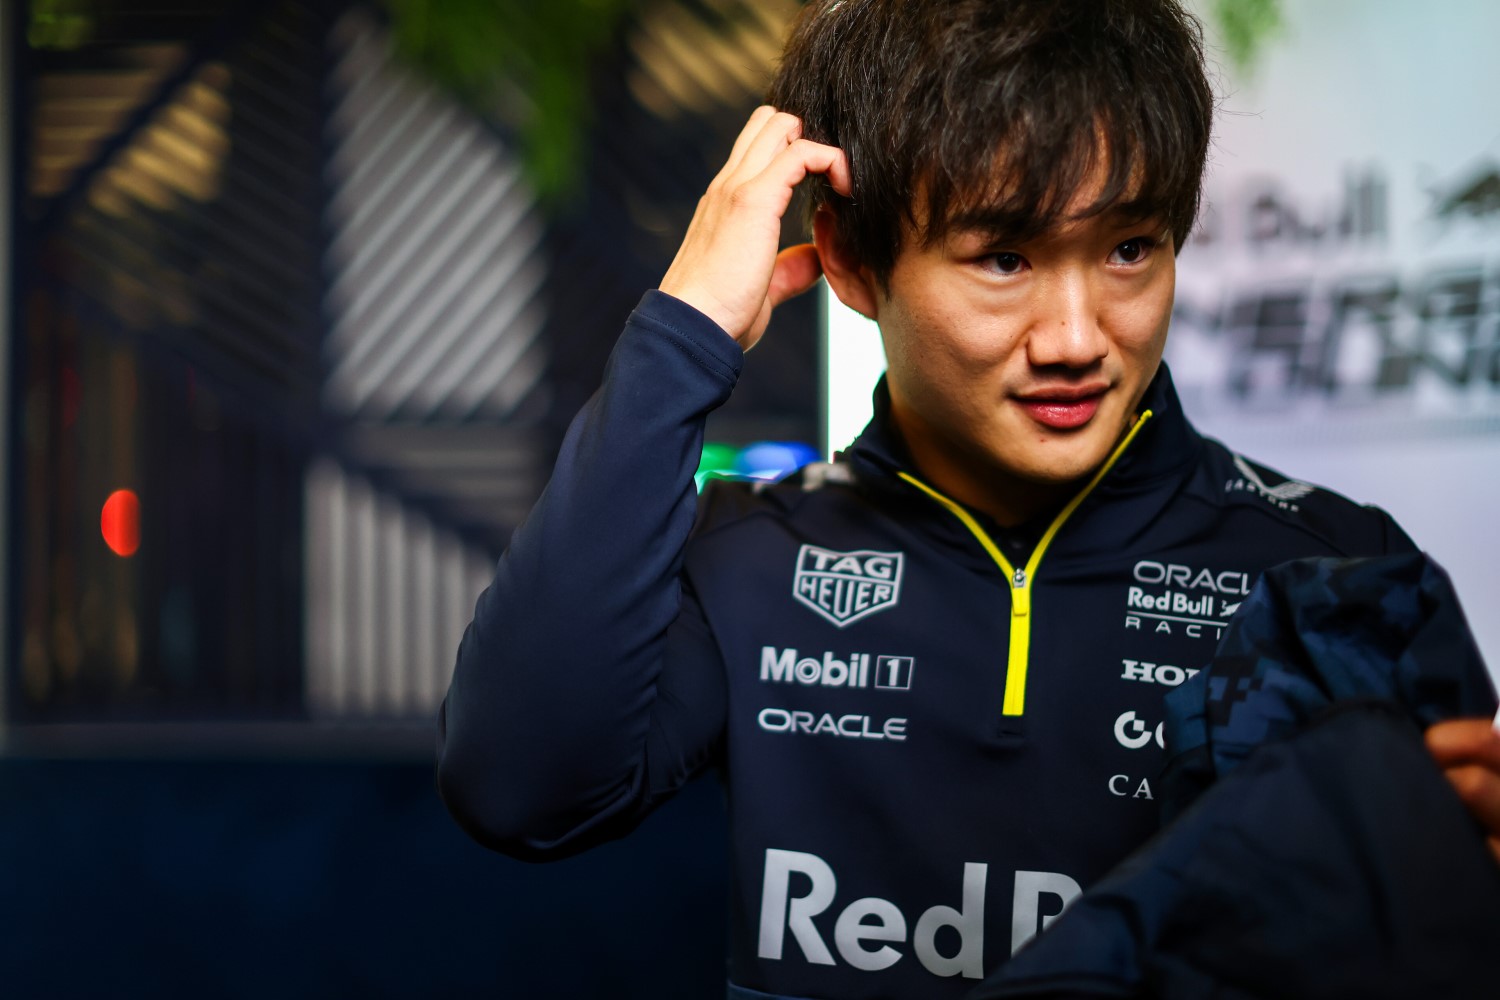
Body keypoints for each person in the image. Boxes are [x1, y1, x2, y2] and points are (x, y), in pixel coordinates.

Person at [437, 1, 1500, 997]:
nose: (1079, 337)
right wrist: (683, 334)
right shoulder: (751, 560)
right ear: (851, 260)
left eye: (1131, 248)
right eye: (1004, 257)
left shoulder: (1337, 575)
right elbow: (519, 785)